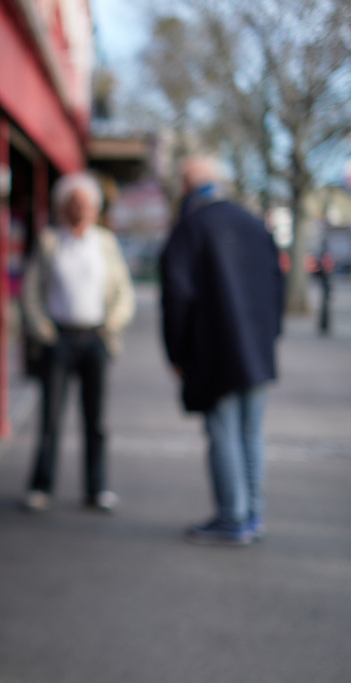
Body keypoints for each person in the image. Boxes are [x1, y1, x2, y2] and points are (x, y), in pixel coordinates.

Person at [159, 156, 284, 546]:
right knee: (250, 433)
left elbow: (177, 297)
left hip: (213, 352)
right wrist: (269, 338)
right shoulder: (252, 223)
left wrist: (177, 354)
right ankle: (252, 514)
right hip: (257, 352)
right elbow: (277, 288)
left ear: (186, 183)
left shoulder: (191, 227)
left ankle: (233, 517)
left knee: (224, 433)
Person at [21, 172, 135, 512]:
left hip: (96, 339)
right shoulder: (49, 241)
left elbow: (123, 292)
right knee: (51, 419)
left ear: (95, 209)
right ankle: (41, 486)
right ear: (63, 208)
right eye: (74, 205)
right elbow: (30, 293)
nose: (81, 210)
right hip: (59, 340)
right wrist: (44, 331)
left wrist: (111, 325)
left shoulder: (106, 243)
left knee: (96, 421)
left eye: (86, 205)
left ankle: (97, 488)